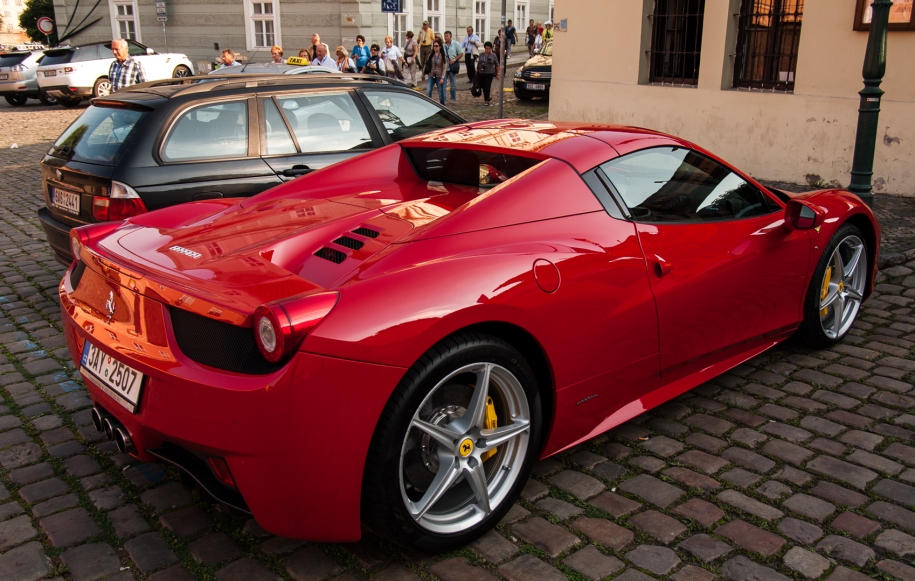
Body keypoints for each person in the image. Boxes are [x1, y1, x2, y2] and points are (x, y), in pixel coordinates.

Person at [475, 41, 499, 106]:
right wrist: (477, 70)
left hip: (490, 73)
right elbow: (479, 63)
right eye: (486, 48)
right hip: (481, 73)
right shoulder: (481, 55)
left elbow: (497, 64)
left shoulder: (493, 55)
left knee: (487, 86)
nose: (487, 50)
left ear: (491, 49)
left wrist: (498, 74)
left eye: (489, 48)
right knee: (483, 86)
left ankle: (486, 100)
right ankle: (488, 96)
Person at [424, 40, 446, 105]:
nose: (435, 47)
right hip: (431, 75)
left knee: (440, 93)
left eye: (436, 46)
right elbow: (427, 64)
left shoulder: (443, 56)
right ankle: (429, 104)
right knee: (428, 91)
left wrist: (442, 78)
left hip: (439, 76)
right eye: (434, 46)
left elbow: (444, 68)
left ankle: (442, 105)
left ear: (440, 47)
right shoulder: (431, 55)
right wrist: (423, 73)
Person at [442, 31, 462, 103]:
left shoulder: (456, 44)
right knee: (443, 83)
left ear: (450, 36)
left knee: (453, 84)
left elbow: (461, 53)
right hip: (445, 67)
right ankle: (443, 99)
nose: (445, 37)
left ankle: (453, 98)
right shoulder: (443, 45)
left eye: (447, 36)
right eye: (445, 36)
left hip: (452, 67)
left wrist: (454, 59)